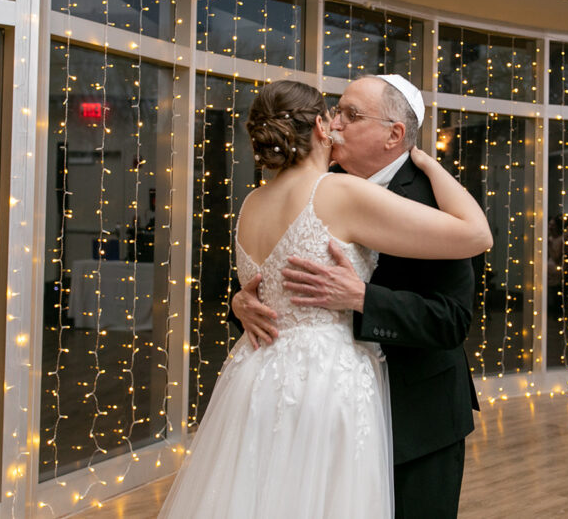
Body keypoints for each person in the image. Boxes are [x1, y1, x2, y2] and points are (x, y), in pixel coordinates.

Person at [160, 80, 491, 519]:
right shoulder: (327, 187)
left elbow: (452, 319)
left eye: (351, 115)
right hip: (316, 406)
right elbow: (267, 282)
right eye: (335, 112)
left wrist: (364, 298)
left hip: (417, 418)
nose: (337, 123)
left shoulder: (434, 198)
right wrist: (239, 303)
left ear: (394, 134)